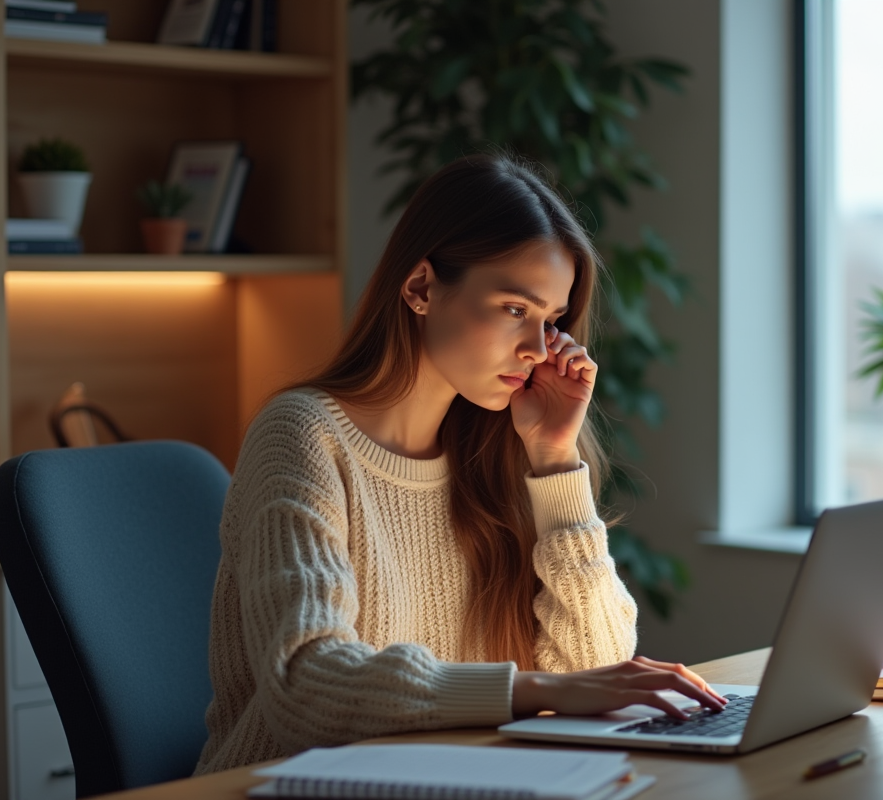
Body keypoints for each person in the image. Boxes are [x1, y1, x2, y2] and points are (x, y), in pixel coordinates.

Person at [194, 154, 726, 774]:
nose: (535, 349)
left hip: (451, 780)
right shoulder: (303, 434)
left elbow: (594, 665)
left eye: (551, 321)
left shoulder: (496, 454)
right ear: (421, 288)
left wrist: (555, 463)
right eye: (513, 309)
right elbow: (304, 684)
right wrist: (533, 692)